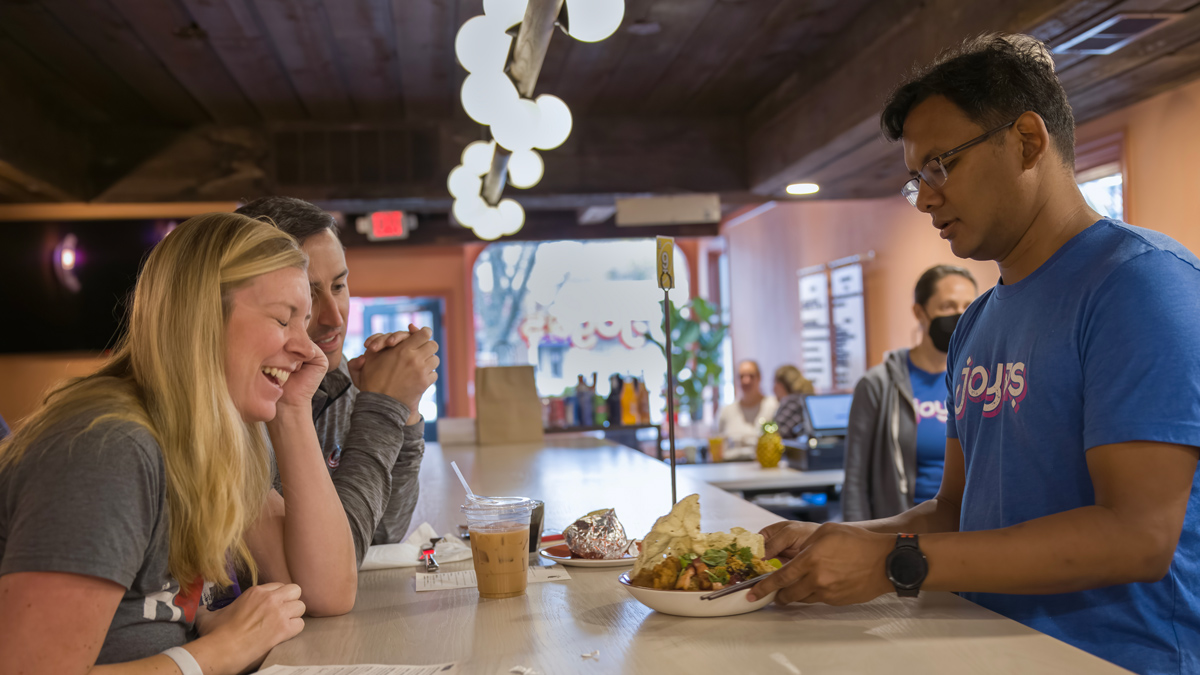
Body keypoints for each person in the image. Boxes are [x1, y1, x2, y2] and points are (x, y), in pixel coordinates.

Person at [749, 34, 1200, 675]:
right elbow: (956, 511)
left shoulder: (1140, 284)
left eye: (941, 164)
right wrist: (843, 541)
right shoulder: (978, 323)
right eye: (915, 179)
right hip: (982, 646)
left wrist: (890, 563)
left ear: (1026, 140)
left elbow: (1138, 536)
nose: (926, 198)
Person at [0, 213, 358, 673]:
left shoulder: (206, 437)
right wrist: (220, 651)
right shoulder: (110, 448)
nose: (308, 349)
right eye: (283, 319)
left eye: (303, 324)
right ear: (203, 318)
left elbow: (325, 592)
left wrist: (291, 410)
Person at [236, 198, 439, 564]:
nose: (334, 318)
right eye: (309, 293)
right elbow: (336, 560)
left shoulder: (337, 380)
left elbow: (380, 533)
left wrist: (403, 411)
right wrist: (380, 408)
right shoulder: (234, 405)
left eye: (339, 286)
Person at [842, 265, 977, 521]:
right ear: (920, 312)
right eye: (948, 306)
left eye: (968, 307)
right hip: (902, 527)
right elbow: (855, 480)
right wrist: (854, 537)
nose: (960, 316)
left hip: (966, 527)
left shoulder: (979, 381)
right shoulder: (877, 385)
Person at [717, 360, 779, 460]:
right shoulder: (726, 411)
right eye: (741, 376)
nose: (746, 381)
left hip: (764, 468)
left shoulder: (774, 406)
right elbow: (718, 448)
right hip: (731, 469)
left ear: (759, 378)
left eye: (751, 376)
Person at [771, 365, 814, 440]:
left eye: (774, 383)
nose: (773, 389)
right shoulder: (806, 400)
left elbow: (776, 435)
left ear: (779, 385)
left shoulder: (791, 403)